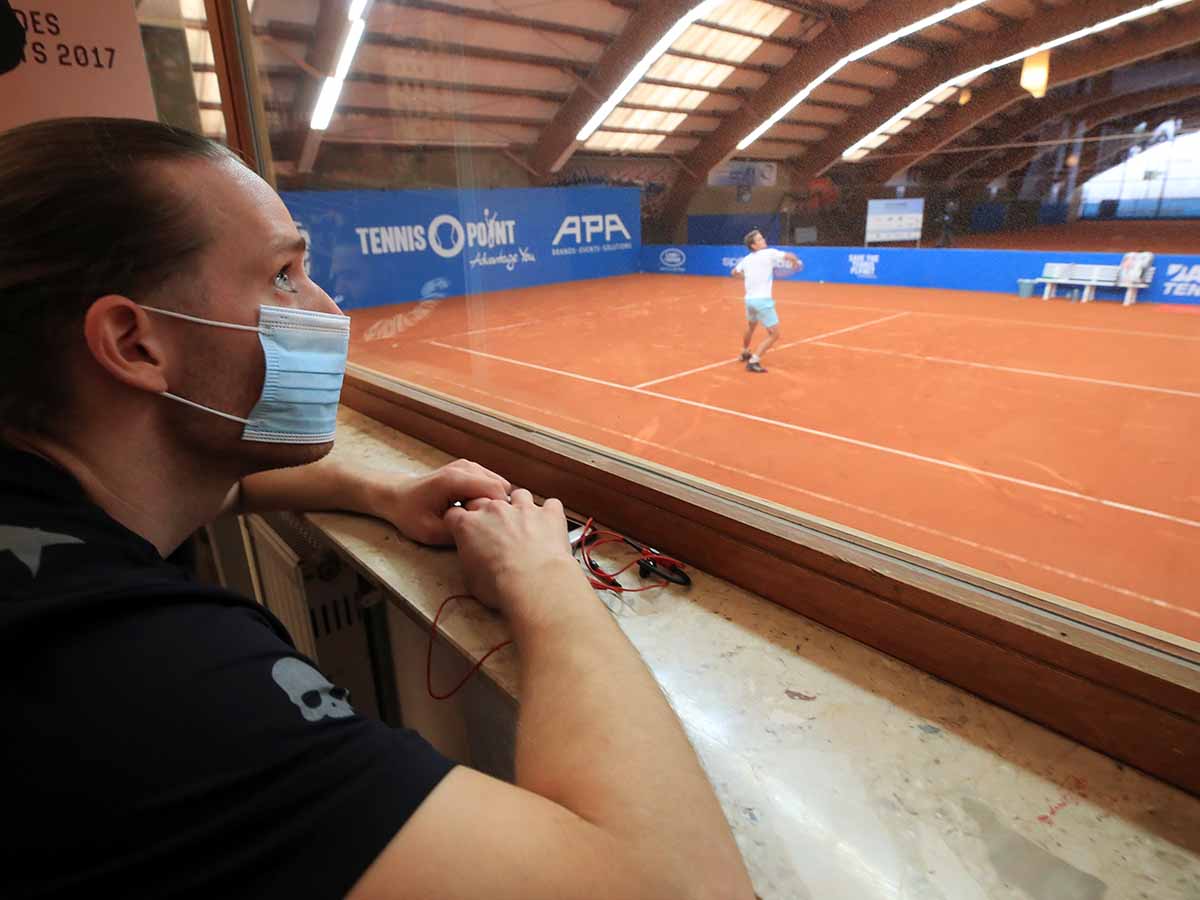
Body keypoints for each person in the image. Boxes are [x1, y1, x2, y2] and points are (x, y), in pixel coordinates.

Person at [0, 118, 755, 900]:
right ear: (133, 344)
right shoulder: (146, 685)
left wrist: (380, 492)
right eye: (284, 275)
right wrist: (543, 577)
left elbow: (220, 484)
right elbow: (682, 887)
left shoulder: (56, 499)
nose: (329, 310)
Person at [730, 229, 801, 374]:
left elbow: (734, 273)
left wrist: (747, 277)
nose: (763, 240)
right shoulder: (769, 253)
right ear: (753, 245)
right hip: (762, 301)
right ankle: (753, 361)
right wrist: (795, 263)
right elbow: (790, 256)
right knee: (775, 334)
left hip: (749, 301)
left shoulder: (746, 259)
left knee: (751, 327)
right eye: (760, 239)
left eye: (762, 238)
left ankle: (745, 352)